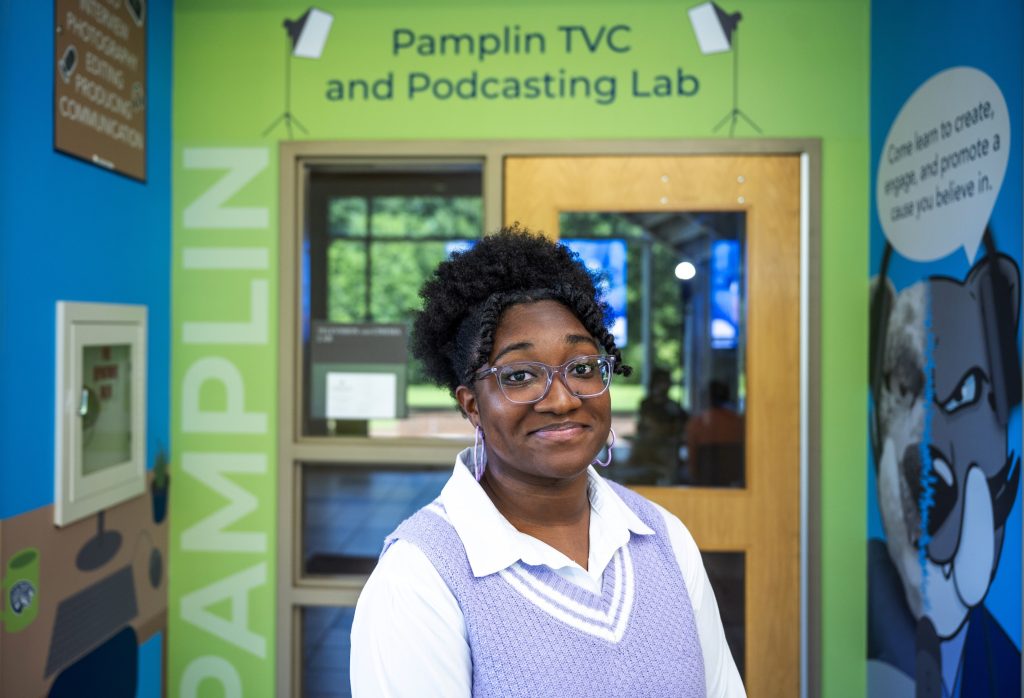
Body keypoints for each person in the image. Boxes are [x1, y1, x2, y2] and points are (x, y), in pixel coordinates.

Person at [350, 226, 744, 697]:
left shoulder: (664, 539)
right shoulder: (421, 576)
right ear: (472, 404)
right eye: (519, 375)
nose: (561, 400)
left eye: (581, 368)